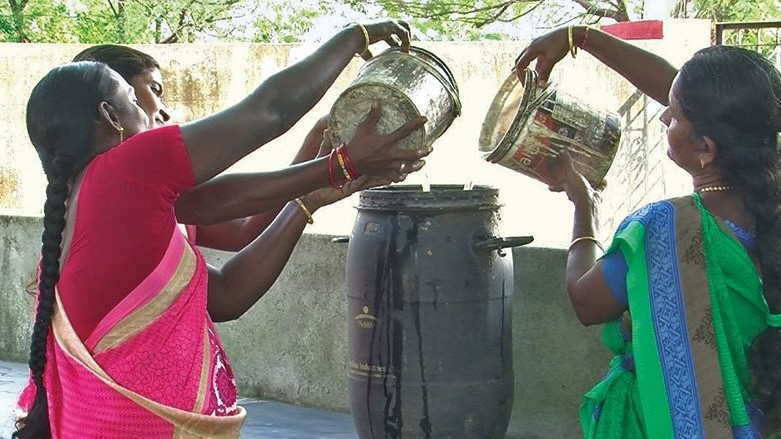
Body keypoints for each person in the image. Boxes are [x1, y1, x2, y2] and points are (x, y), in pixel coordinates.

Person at [14, 21, 430, 438]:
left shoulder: (84, 204)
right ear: (109, 115)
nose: (159, 112)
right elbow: (270, 110)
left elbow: (227, 275)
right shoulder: (126, 169)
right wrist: (355, 36)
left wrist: (318, 185)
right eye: (138, 99)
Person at [515, 26, 781, 438]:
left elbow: (585, 303)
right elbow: (706, 104)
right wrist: (579, 37)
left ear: (706, 148)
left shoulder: (668, 230)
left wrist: (584, 206)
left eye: (673, 113)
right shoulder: (769, 210)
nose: (662, 116)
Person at [72, 44, 332, 251]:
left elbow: (239, 233)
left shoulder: (142, 192)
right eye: (154, 89)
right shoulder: (120, 186)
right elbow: (269, 112)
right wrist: (358, 35)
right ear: (112, 108)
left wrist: (315, 144)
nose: (165, 112)